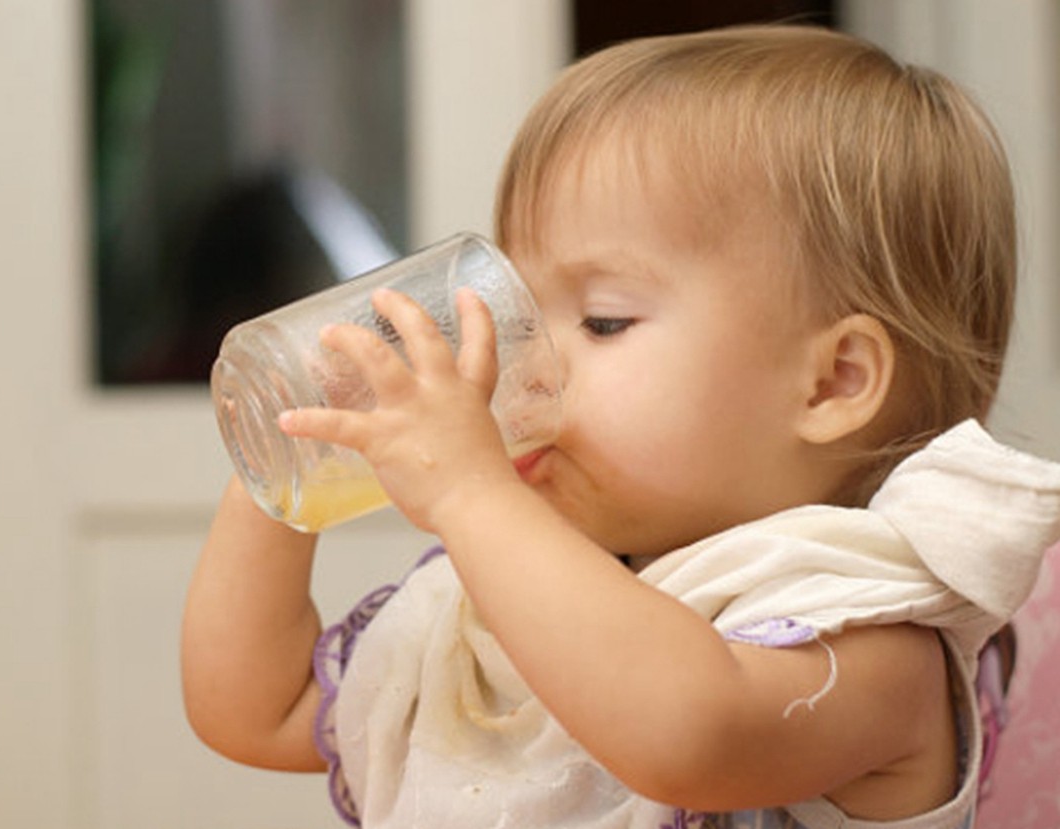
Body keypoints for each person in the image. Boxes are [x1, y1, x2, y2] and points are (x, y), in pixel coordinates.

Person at [181, 25, 1060, 828]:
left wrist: (472, 494)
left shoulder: (870, 641)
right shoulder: (505, 596)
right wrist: (291, 453)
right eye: (520, 303)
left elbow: (686, 735)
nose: (526, 356)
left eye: (602, 320)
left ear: (832, 382)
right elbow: (258, 709)